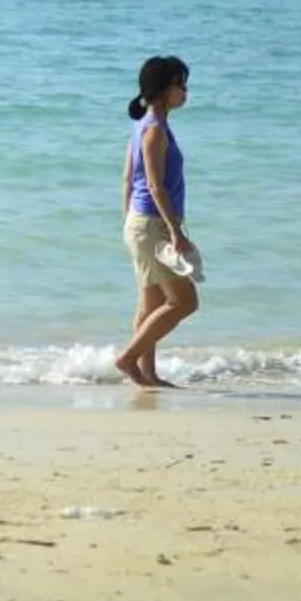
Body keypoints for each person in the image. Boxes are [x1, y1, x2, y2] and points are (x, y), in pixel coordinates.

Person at [113, 54, 200, 389]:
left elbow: (125, 179)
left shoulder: (144, 127)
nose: (185, 91)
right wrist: (174, 232)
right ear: (165, 90)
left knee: (151, 304)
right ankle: (128, 358)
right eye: (181, 84)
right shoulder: (153, 131)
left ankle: (148, 376)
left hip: (141, 224)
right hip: (151, 225)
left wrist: (128, 224)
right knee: (184, 302)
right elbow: (153, 185)